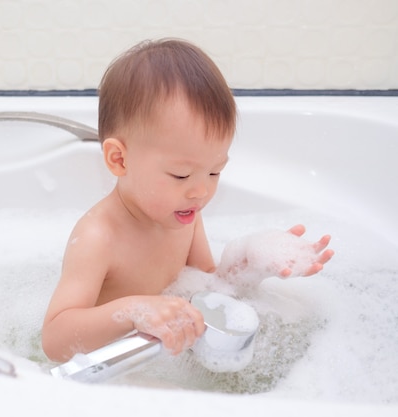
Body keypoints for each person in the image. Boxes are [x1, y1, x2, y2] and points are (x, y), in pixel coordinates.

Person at [41, 38, 333, 363]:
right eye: (181, 175)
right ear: (119, 160)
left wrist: (250, 267)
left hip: (162, 356)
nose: (201, 192)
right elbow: (54, 339)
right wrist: (133, 310)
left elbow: (208, 283)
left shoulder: (182, 213)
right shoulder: (99, 237)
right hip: (106, 368)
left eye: (214, 173)